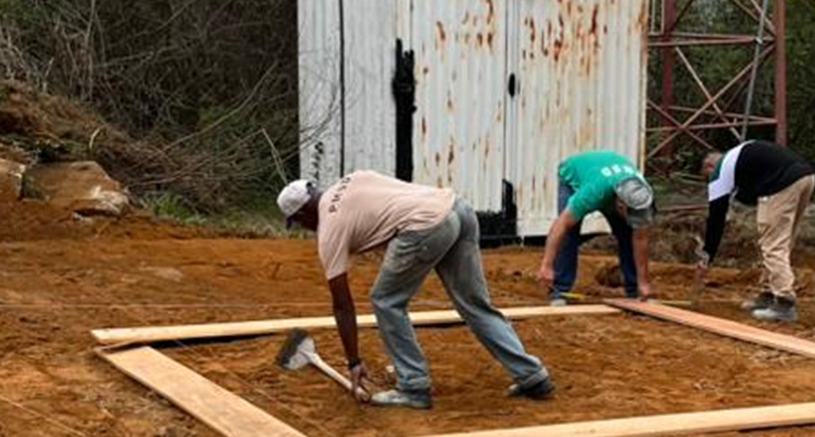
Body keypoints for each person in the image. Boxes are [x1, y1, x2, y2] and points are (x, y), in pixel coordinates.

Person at [278, 171, 554, 410]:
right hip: (458, 209)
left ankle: (413, 386)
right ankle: (532, 375)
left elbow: (342, 303)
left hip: (426, 225)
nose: (305, 228)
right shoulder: (353, 179)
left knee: (386, 301)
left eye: (299, 222)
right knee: (474, 303)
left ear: (303, 213)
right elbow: (390, 215)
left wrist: (353, 363)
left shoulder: (330, 227)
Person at [701, 140, 815, 323]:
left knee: (773, 244)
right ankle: (768, 294)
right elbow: (750, 194)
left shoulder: (720, 172)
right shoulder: (739, 155)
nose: (709, 182)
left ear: (709, 166)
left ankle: (784, 303)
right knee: (782, 241)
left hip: (781, 184)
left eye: (706, 177)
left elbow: (716, 219)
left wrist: (707, 256)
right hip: (806, 177)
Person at [537, 150, 657, 303]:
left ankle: (635, 290)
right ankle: (560, 291)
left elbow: (641, 239)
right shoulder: (593, 192)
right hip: (574, 172)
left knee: (628, 234)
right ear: (620, 206)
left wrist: (644, 282)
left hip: (609, 178)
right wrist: (547, 266)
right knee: (570, 233)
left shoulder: (642, 196)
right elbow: (562, 225)